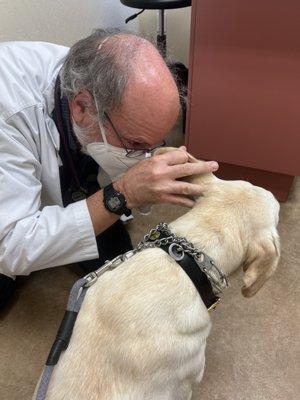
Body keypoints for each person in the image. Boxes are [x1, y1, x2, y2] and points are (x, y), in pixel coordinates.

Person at [0, 29, 219, 309]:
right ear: (80, 106)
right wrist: (123, 193)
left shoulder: (91, 75)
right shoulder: (10, 113)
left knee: (120, 266)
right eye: (135, 143)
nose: (146, 157)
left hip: (74, 152)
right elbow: (11, 246)